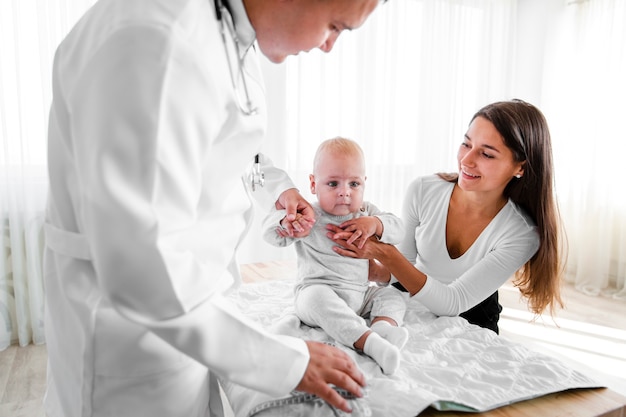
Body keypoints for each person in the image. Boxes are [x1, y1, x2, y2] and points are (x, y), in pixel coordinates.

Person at [43, 0, 383, 416]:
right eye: (335, 26)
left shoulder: (225, 31)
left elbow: (223, 139)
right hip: (133, 334)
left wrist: (280, 190)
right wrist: (285, 361)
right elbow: (141, 260)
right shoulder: (158, 41)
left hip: (191, 314)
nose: (329, 46)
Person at [329, 100, 564, 334]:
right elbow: (405, 263)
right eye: (466, 144)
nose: (466, 160)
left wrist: (383, 252)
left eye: (487, 154)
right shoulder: (423, 189)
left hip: (472, 314)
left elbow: (453, 302)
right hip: (411, 294)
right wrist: (369, 267)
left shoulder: (521, 233)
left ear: (520, 167)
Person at [263, 138, 409, 375]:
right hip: (316, 292)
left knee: (393, 294)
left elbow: (399, 228)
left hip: (360, 295)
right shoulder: (308, 216)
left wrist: (376, 224)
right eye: (333, 183)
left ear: (364, 184)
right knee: (315, 297)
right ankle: (371, 343)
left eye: (354, 183)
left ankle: (384, 327)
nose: (344, 192)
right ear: (313, 184)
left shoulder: (366, 213)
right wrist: (286, 222)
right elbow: (271, 235)